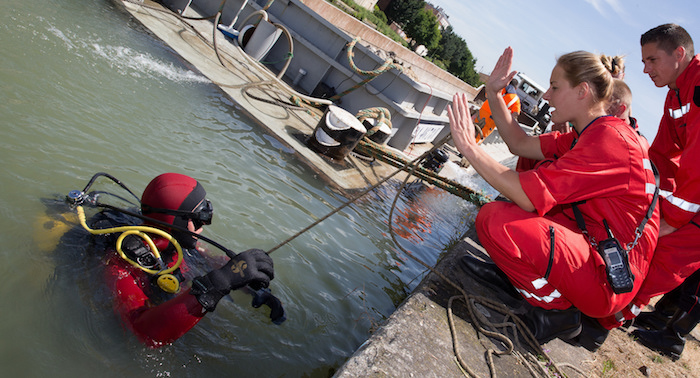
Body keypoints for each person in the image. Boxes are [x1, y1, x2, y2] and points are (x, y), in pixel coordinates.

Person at [448, 47, 660, 347]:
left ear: (582, 91)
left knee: (496, 221)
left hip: (606, 279)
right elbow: (520, 144)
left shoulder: (610, 141)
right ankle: (520, 283)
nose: (546, 96)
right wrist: (495, 94)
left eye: (555, 87)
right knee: (513, 201)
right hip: (594, 250)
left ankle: (556, 313)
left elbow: (527, 196)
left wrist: (470, 148)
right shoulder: (590, 132)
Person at [600, 23, 700, 361]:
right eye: (643, 61)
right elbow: (663, 154)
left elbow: (697, 164)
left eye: (652, 60)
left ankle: (615, 317)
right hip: (695, 192)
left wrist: (669, 219)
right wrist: (643, 194)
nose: (645, 69)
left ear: (679, 54)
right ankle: (636, 315)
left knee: (667, 255)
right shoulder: (676, 95)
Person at [92, 173, 276, 348]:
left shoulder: (180, 245)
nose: (204, 224)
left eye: (208, 213)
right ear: (174, 221)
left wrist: (250, 284)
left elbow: (213, 261)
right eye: (200, 218)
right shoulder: (119, 265)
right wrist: (215, 286)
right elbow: (142, 332)